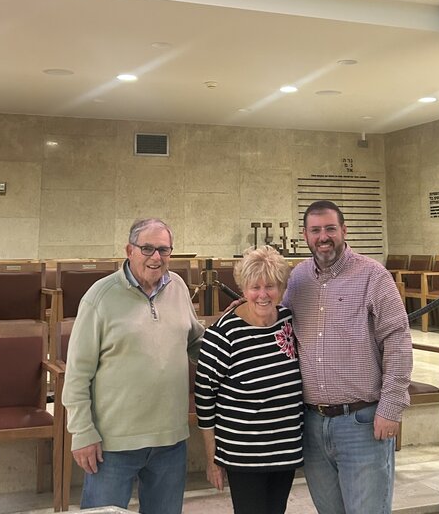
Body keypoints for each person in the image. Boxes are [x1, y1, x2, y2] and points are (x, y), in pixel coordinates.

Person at [62, 217, 204, 514]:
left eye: (164, 250)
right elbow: (77, 373)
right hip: (113, 444)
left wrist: (235, 336)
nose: (156, 257)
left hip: (170, 440)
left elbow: (195, 343)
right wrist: (82, 432)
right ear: (129, 250)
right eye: (147, 248)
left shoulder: (177, 287)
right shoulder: (99, 297)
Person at [283, 200, 412, 514]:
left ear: (343, 230)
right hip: (312, 424)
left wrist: (391, 408)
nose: (323, 236)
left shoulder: (373, 276)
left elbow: (398, 342)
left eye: (330, 228)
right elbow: (278, 320)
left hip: (362, 423)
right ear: (305, 235)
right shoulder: (298, 278)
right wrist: (242, 309)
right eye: (315, 230)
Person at [195, 246, 303, 514]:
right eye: (255, 287)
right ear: (243, 289)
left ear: (282, 288)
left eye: (270, 286)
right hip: (244, 453)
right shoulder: (222, 335)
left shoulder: (290, 322)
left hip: (285, 449)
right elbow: (205, 401)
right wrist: (212, 460)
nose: (263, 294)